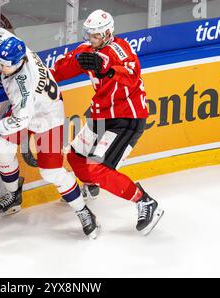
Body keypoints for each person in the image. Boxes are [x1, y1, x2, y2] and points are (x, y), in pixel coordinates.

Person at [0, 28, 100, 239]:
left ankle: (83, 211)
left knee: (51, 173)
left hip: (48, 117)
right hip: (31, 107)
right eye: (0, 63)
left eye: (4, 66)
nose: (0, 68)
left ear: (17, 64)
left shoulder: (24, 88)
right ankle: (13, 195)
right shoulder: (10, 47)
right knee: (3, 150)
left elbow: (19, 119)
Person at [49, 9, 164, 236]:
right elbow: (62, 69)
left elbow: (132, 74)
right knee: (75, 157)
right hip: (100, 116)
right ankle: (91, 185)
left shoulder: (119, 50)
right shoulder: (87, 51)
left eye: (95, 36)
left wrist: (108, 70)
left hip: (126, 118)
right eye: (88, 34)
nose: (90, 40)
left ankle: (145, 202)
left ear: (108, 33)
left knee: (97, 167)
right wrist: (38, 73)